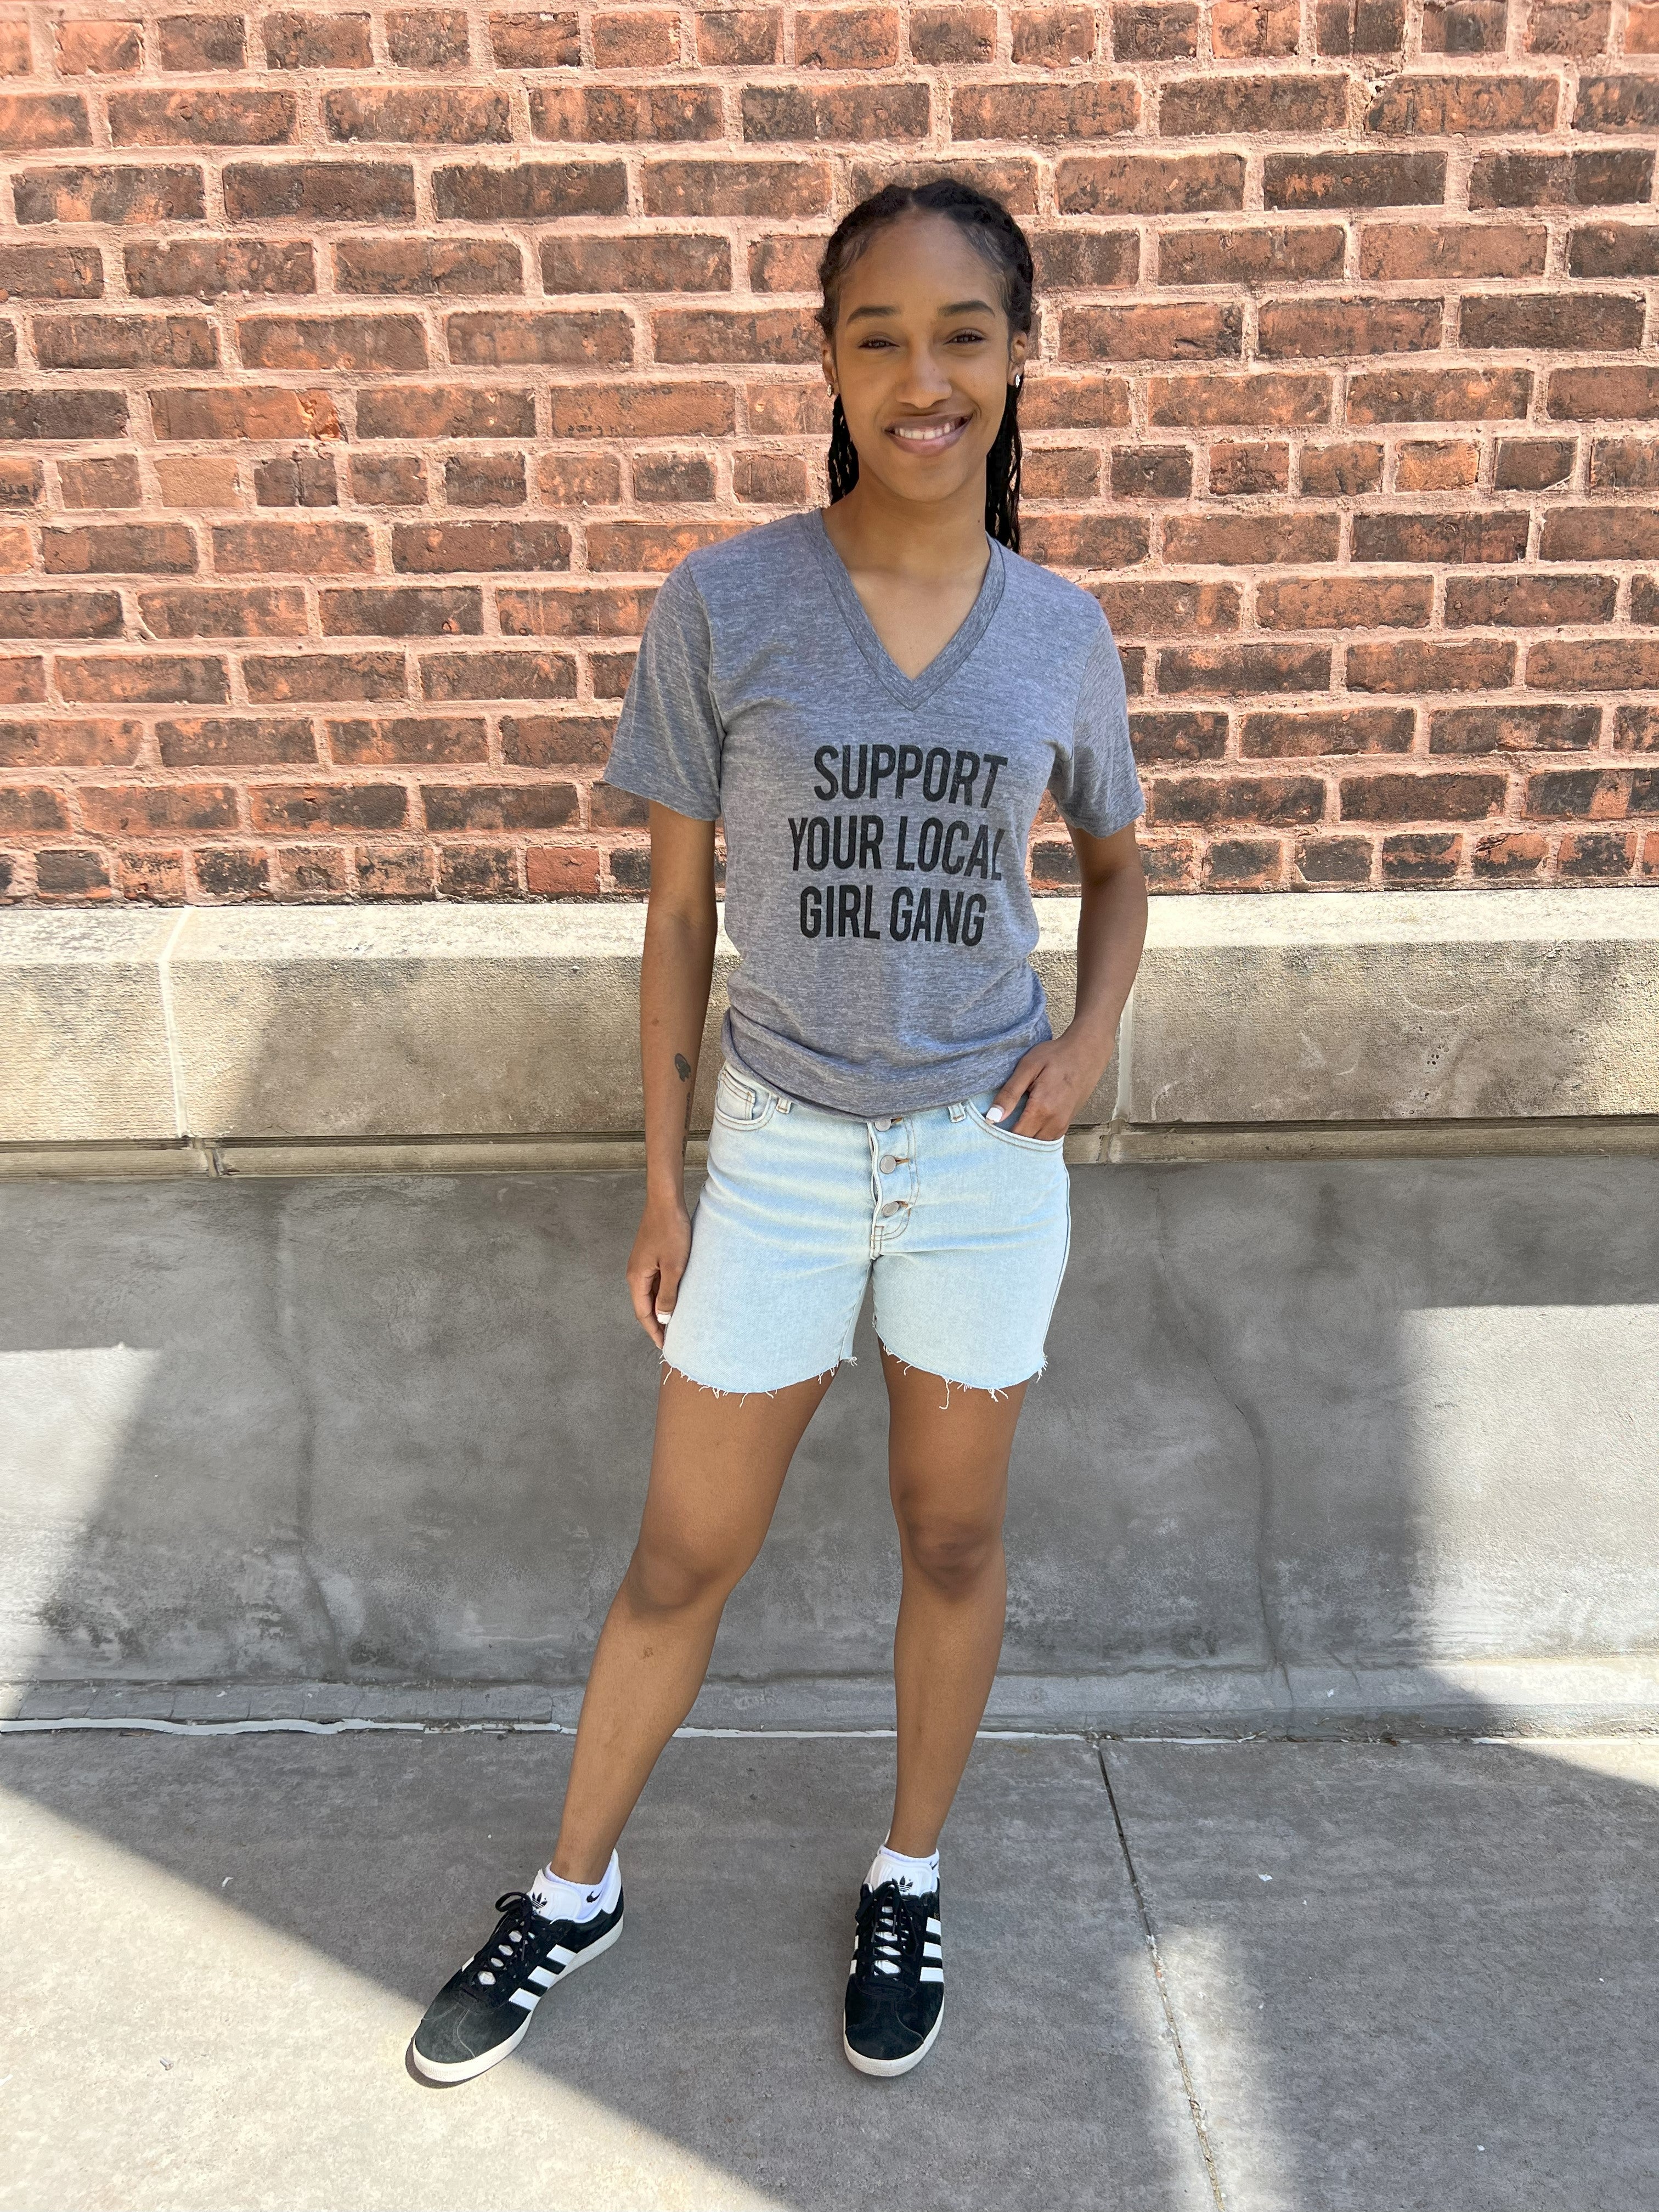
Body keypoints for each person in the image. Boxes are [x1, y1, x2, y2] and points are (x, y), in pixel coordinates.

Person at [411, 176, 1149, 2087]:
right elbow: (676, 917)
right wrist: (664, 1184)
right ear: (827, 359)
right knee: (682, 1553)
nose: (924, 378)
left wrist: (1090, 1039)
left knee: (952, 1533)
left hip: (981, 1159)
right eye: (878, 336)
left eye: (964, 334)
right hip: (784, 1157)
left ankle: (909, 1871)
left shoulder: (1061, 632)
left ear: (1019, 355)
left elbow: (1117, 863)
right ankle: (574, 1886)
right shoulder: (725, 603)